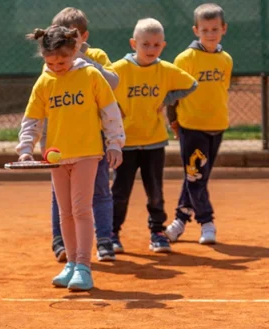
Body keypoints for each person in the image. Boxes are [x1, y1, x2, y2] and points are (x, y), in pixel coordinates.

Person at [16, 26, 125, 291]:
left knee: (81, 209)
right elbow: (33, 119)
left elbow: (110, 112)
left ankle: (84, 266)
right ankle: (72, 264)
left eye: (61, 61)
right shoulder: (44, 81)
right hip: (56, 157)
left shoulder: (90, 75)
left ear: (74, 50)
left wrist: (115, 144)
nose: (56, 66)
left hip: (87, 154)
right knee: (65, 213)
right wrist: (25, 148)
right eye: (50, 62)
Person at [110, 18, 198, 254]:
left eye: (156, 45)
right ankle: (112, 233)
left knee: (156, 192)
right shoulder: (118, 69)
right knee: (119, 192)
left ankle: (157, 232)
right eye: (145, 44)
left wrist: (166, 100)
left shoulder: (165, 70)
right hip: (124, 144)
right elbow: (99, 88)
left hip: (153, 143)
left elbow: (191, 84)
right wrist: (112, 108)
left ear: (163, 45)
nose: (151, 49)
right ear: (133, 43)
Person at [47, 7, 120, 263]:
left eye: (73, 37)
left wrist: (82, 61)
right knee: (62, 198)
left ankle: (104, 240)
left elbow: (113, 82)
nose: (66, 43)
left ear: (84, 37)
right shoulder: (54, 63)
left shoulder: (95, 57)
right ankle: (61, 242)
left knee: (99, 191)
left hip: (91, 142)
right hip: (60, 144)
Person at [165, 3, 233, 245]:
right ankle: (207, 221)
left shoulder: (226, 59)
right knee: (195, 176)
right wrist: (173, 121)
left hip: (218, 126)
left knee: (197, 176)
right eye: (205, 30)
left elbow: (221, 91)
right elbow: (172, 94)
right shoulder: (185, 59)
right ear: (196, 30)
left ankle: (180, 220)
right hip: (191, 126)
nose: (210, 34)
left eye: (215, 29)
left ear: (224, 29)